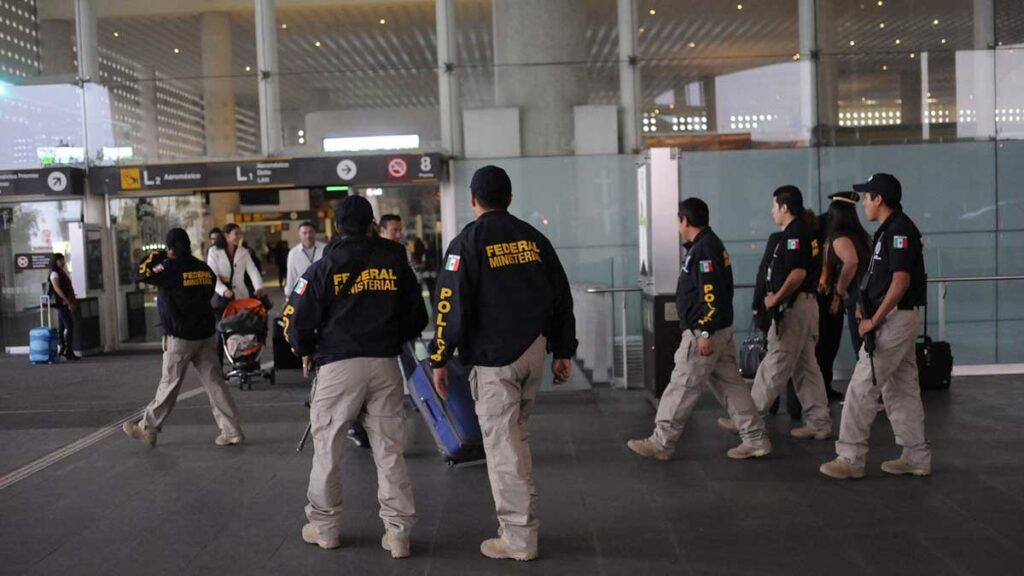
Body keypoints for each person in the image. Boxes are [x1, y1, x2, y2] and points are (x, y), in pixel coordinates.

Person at [427, 165, 576, 561]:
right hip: (532, 354)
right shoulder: (534, 239)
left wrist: (439, 356)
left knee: (502, 447)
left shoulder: (466, 243)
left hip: (495, 362)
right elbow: (561, 297)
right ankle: (521, 521)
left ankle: (519, 538)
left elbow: (448, 306)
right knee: (514, 438)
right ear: (509, 198)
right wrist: (563, 350)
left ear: (473, 200)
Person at [283, 196, 427, 558]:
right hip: (384, 364)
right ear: (373, 225)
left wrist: (305, 350)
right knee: (389, 451)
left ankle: (325, 527)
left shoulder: (324, 263)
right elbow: (418, 316)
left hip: (337, 369)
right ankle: (398, 535)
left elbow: (295, 320)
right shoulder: (395, 259)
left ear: (335, 228)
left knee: (328, 451)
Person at [627, 198, 771, 461]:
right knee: (731, 386)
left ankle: (661, 442)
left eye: (678, 220)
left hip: (706, 333)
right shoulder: (707, 245)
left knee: (682, 385)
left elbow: (711, 294)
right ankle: (755, 439)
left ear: (685, 220)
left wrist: (704, 331)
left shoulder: (704, 250)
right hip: (718, 329)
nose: (677, 225)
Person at [821, 173, 931, 479]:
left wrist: (874, 319)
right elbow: (883, 278)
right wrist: (863, 302)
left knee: (861, 387)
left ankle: (850, 458)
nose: (864, 203)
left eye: (867, 197)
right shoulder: (887, 231)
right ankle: (916, 457)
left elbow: (900, 281)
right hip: (895, 317)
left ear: (878, 199)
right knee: (901, 389)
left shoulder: (899, 231)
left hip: (893, 320)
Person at [719, 185, 832, 440]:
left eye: (774, 206)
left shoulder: (795, 235)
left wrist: (775, 298)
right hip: (806, 306)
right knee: (806, 367)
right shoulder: (802, 232)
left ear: (784, 207)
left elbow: (798, 273)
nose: (771, 211)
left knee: (775, 362)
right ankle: (819, 423)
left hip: (795, 308)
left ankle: (748, 418)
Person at [123, 228, 244, 448]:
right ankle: (232, 431)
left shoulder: (168, 268)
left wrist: (159, 256)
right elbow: (209, 291)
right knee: (215, 383)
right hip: (206, 334)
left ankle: (148, 428)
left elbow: (142, 272)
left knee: (169, 384)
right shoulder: (203, 268)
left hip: (180, 336)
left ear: (170, 248)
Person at [208, 223, 265, 303]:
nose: (239, 236)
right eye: (236, 234)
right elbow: (212, 275)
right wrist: (223, 290)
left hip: (240, 294)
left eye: (240, 234)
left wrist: (258, 287)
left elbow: (253, 271)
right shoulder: (214, 251)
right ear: (226, 235)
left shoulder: (243, 252)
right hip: (221, 297)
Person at [47, 253, 79, 361]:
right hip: (61, 304)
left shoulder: (61, 272)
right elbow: (57, 289)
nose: (63, 262)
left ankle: (63, 348)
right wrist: (68, 301)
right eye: (61, 260)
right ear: (56, 261)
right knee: (69, 326)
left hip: (63, 303)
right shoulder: (54, 273)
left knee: (62, 327)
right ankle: (68, 351)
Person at [284, 222, 326, 296]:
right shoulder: (293, 253)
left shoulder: (325, 249)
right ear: (299, 234)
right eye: (304, 233)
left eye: (310, 232)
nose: (308, 236)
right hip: (301, 288)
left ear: (315, 233)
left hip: (322, 289)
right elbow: (291, 276)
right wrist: (288, 296)